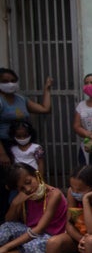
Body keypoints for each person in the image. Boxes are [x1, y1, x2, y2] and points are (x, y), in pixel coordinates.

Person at [0, 68, 52, 219]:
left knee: (26, 181)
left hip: (22, 141)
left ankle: (27, 216)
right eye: (4, 81)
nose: (9, 84)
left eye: (12, 80)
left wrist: (47, 90)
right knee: (8, 183)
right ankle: (6, 217)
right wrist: (2, 152)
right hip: (4, 145)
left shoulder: (21, 99)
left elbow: (45, 108)